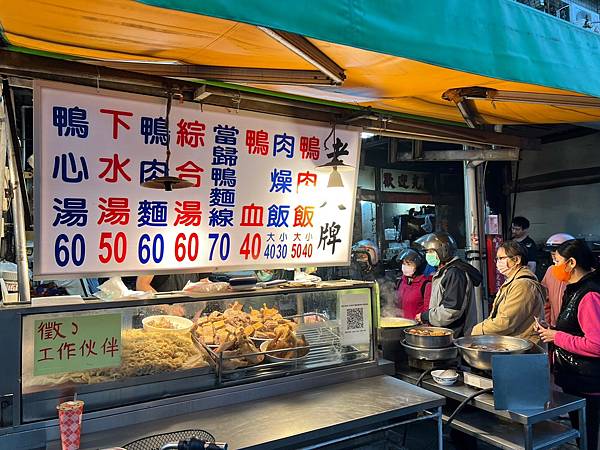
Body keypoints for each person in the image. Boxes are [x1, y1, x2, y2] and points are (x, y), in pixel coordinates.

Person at [537, 239, 600, 450]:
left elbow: (596, 344)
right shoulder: (574, 289)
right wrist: (552, 329)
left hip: (589, 382)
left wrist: (557, 337)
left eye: (556, 261)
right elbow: (575, 328)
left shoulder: (589, 294)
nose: (553, 267)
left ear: (571, 263)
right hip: (575, 378)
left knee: (589, 438)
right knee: (581, 433)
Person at [471, 241, 545, 344]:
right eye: (496, 259)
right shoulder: (513, 281)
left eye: (501, 258)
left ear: (516, 260)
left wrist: (479, 330)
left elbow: (506, 322)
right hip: (517, 346)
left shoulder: (522, 285)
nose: (498, 262)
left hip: (524, 349)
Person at [414, 232, 483, 337]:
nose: (428, 255)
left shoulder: (455, 273)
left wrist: (426, 316)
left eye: (431, 251)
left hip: (455, 336)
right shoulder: (445, 271)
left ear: (443, 251)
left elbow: (451, 310)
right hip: (446, 334)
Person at [541, 233, 575, 327]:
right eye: (552, 255)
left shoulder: (584, 276)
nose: (554, 259)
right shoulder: (551, 270)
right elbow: (545, 300)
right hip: (555, 329)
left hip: (576, 332)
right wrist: (548, 324)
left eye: (556, 255)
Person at [395, 249, 431, 320]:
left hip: (416, 327)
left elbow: (427, 312)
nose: (405, 266)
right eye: (404, 263)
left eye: (409, 264)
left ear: (418, 266)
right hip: (400, 324)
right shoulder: (400, 282)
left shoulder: (426, 285)